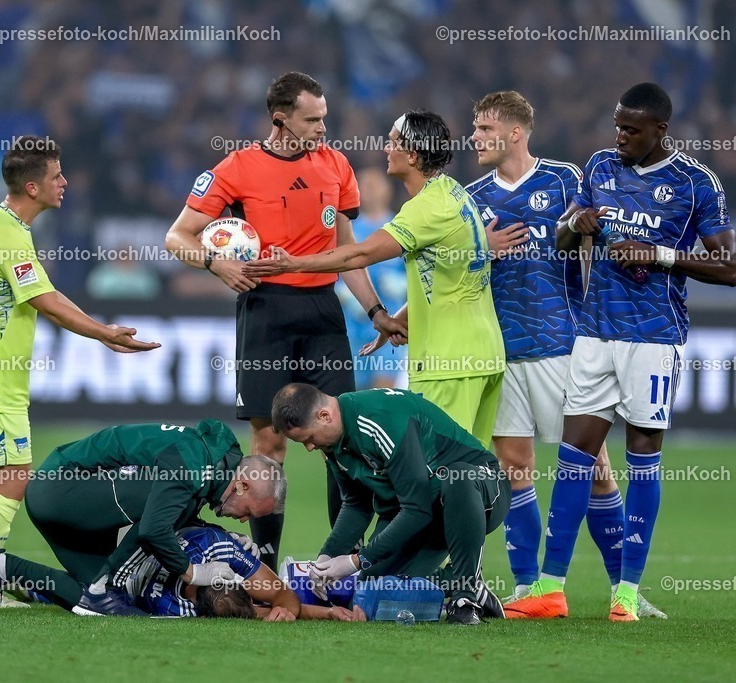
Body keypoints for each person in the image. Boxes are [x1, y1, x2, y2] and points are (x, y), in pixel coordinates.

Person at [505, 83, 736, 622]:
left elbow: (729, 269)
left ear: (661, 130)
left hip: (653, 339)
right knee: (573, 460)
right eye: (617, 126)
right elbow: (565, 242)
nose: (621, 137)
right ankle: (549, 587)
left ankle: (626, 595)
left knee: (642, 457)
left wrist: (659, 254)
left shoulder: (694, 183)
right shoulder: (600, 167)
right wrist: (571, 224)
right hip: (593, 332)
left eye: (632, 130)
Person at [165, 71, 399, 569]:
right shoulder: (237, 168)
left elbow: (346, 252)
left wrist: (376, 312)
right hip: (264, 310)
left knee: (344, 433)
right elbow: (178, 237)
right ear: (280, 118)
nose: (322, 128)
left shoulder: (336, 165)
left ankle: (343, 561)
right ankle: (265, 564)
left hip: (322, 311)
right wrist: (216, 262)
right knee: (269, 441)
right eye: (312, 119)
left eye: (325, 118)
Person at [0, 136, 160, 602]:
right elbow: (46, 303)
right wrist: (102, 333)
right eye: (56, 176)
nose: (65, 182)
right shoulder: (8, 236)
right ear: (32, 187)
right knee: (16, 473)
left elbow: (45, 292)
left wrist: (99, 326)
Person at [464, 90, 663, 616]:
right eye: (475, 128)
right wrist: (476, 249)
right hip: (500, 351)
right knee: (514, 465)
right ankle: (533, 589)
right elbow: (459, 274)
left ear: (513, 133)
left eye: (484, 129)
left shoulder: (564, 179)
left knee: (594, 467)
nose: (476, 138)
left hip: (560, 345)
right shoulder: (471, 195)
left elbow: (589, 238)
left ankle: (628, 588)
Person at [245, 110, 505, 448]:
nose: (386, 148)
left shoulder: (425, 210)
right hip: (482, 353)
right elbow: (445, 283)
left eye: (393, 142)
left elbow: (358, 254)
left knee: (440, 473)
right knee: (471, 471)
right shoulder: (453, 192)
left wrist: (292, 263)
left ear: (412, 155)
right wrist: (393, 319)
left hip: (449, 362)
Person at [0, 421, 284, 615]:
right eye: (249, 514)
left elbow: (172, 509)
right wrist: (193, 571)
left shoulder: (210, 467)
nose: (244, 521)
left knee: (102, 601)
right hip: (61, 488)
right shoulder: (194, 463)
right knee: (160, 508)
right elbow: (156, 527)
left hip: (70, 497)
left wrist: (219, 532)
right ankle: (104, 583)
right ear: (242, 484)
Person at [271, 383, 511, 626]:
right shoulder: (334, 441)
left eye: (309, 438)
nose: (310, 447)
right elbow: (357, 504)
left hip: (478, 491)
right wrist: (326, 557)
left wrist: (356, 560)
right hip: (423, 508)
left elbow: (416, 509)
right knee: (374, 589)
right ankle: (467, 583)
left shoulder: (381, 419)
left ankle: (465, 595)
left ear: (325, 416)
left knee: (457, 478)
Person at [124, 526, 365, 621]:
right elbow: (258, 612)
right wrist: (329, 612)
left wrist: (331, 611)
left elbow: (279, 597)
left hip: (179, 532)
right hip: (137, 565)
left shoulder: (214, 545)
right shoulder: (174, 609)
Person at [334, 167, 407, 389]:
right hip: (353, 325)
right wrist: (343, 293)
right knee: (354, 391)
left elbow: (418, 273)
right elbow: (335, 268)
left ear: (388, 191)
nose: (370, 191)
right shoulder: (349, 230)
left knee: (383, 391)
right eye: (365, 186)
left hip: (391, 320)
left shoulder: (400, 227)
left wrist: (402, 285)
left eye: (375, 185)